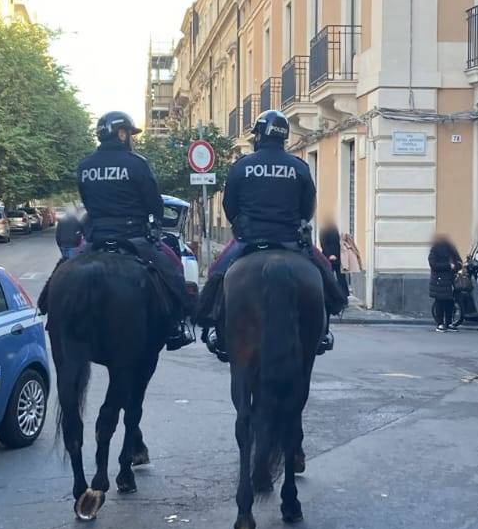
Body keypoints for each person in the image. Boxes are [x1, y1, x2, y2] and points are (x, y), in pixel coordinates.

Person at [194, 109, 346, 359]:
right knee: (325, 274)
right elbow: (307, 209)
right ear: (283, 136)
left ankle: (214, 330)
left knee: (216, 274)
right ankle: (323, 331)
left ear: (259, 136)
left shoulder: (242, 166)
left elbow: (229, 206)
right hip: (291, 242)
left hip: (249, 241)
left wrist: (242, 226)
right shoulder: (299, 167)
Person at [69, 111, 192, 351]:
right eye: (130, 134)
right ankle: (177, 327)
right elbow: (154, 203)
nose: (132, 140)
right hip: (134, 238)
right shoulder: (136, 163)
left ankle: (50, 313)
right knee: (174, 268)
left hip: (96, 239)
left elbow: (87, 203)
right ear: (122, 133)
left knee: (64, 269)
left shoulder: (84, 167)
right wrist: (154, 222)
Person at [428, 233, 462, 332]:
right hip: (439, 280)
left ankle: (449, 323)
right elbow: (433, 264)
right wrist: (448, 266)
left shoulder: (452, 248)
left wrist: (456, 266)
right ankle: (440, 324)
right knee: (440, 302)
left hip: (451, 280)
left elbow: (459, 262)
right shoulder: (435, 249)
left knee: (450, 303)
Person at [319, 222, 347, 301]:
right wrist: (329, 255)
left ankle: (344, 297)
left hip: (337, 257)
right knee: (328, 277)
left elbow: (338, 243)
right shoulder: (323, 229)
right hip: (328, 258)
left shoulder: (334, 228)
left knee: (341, 278)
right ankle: (329, 297)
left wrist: (338, 254)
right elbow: (323, 244)